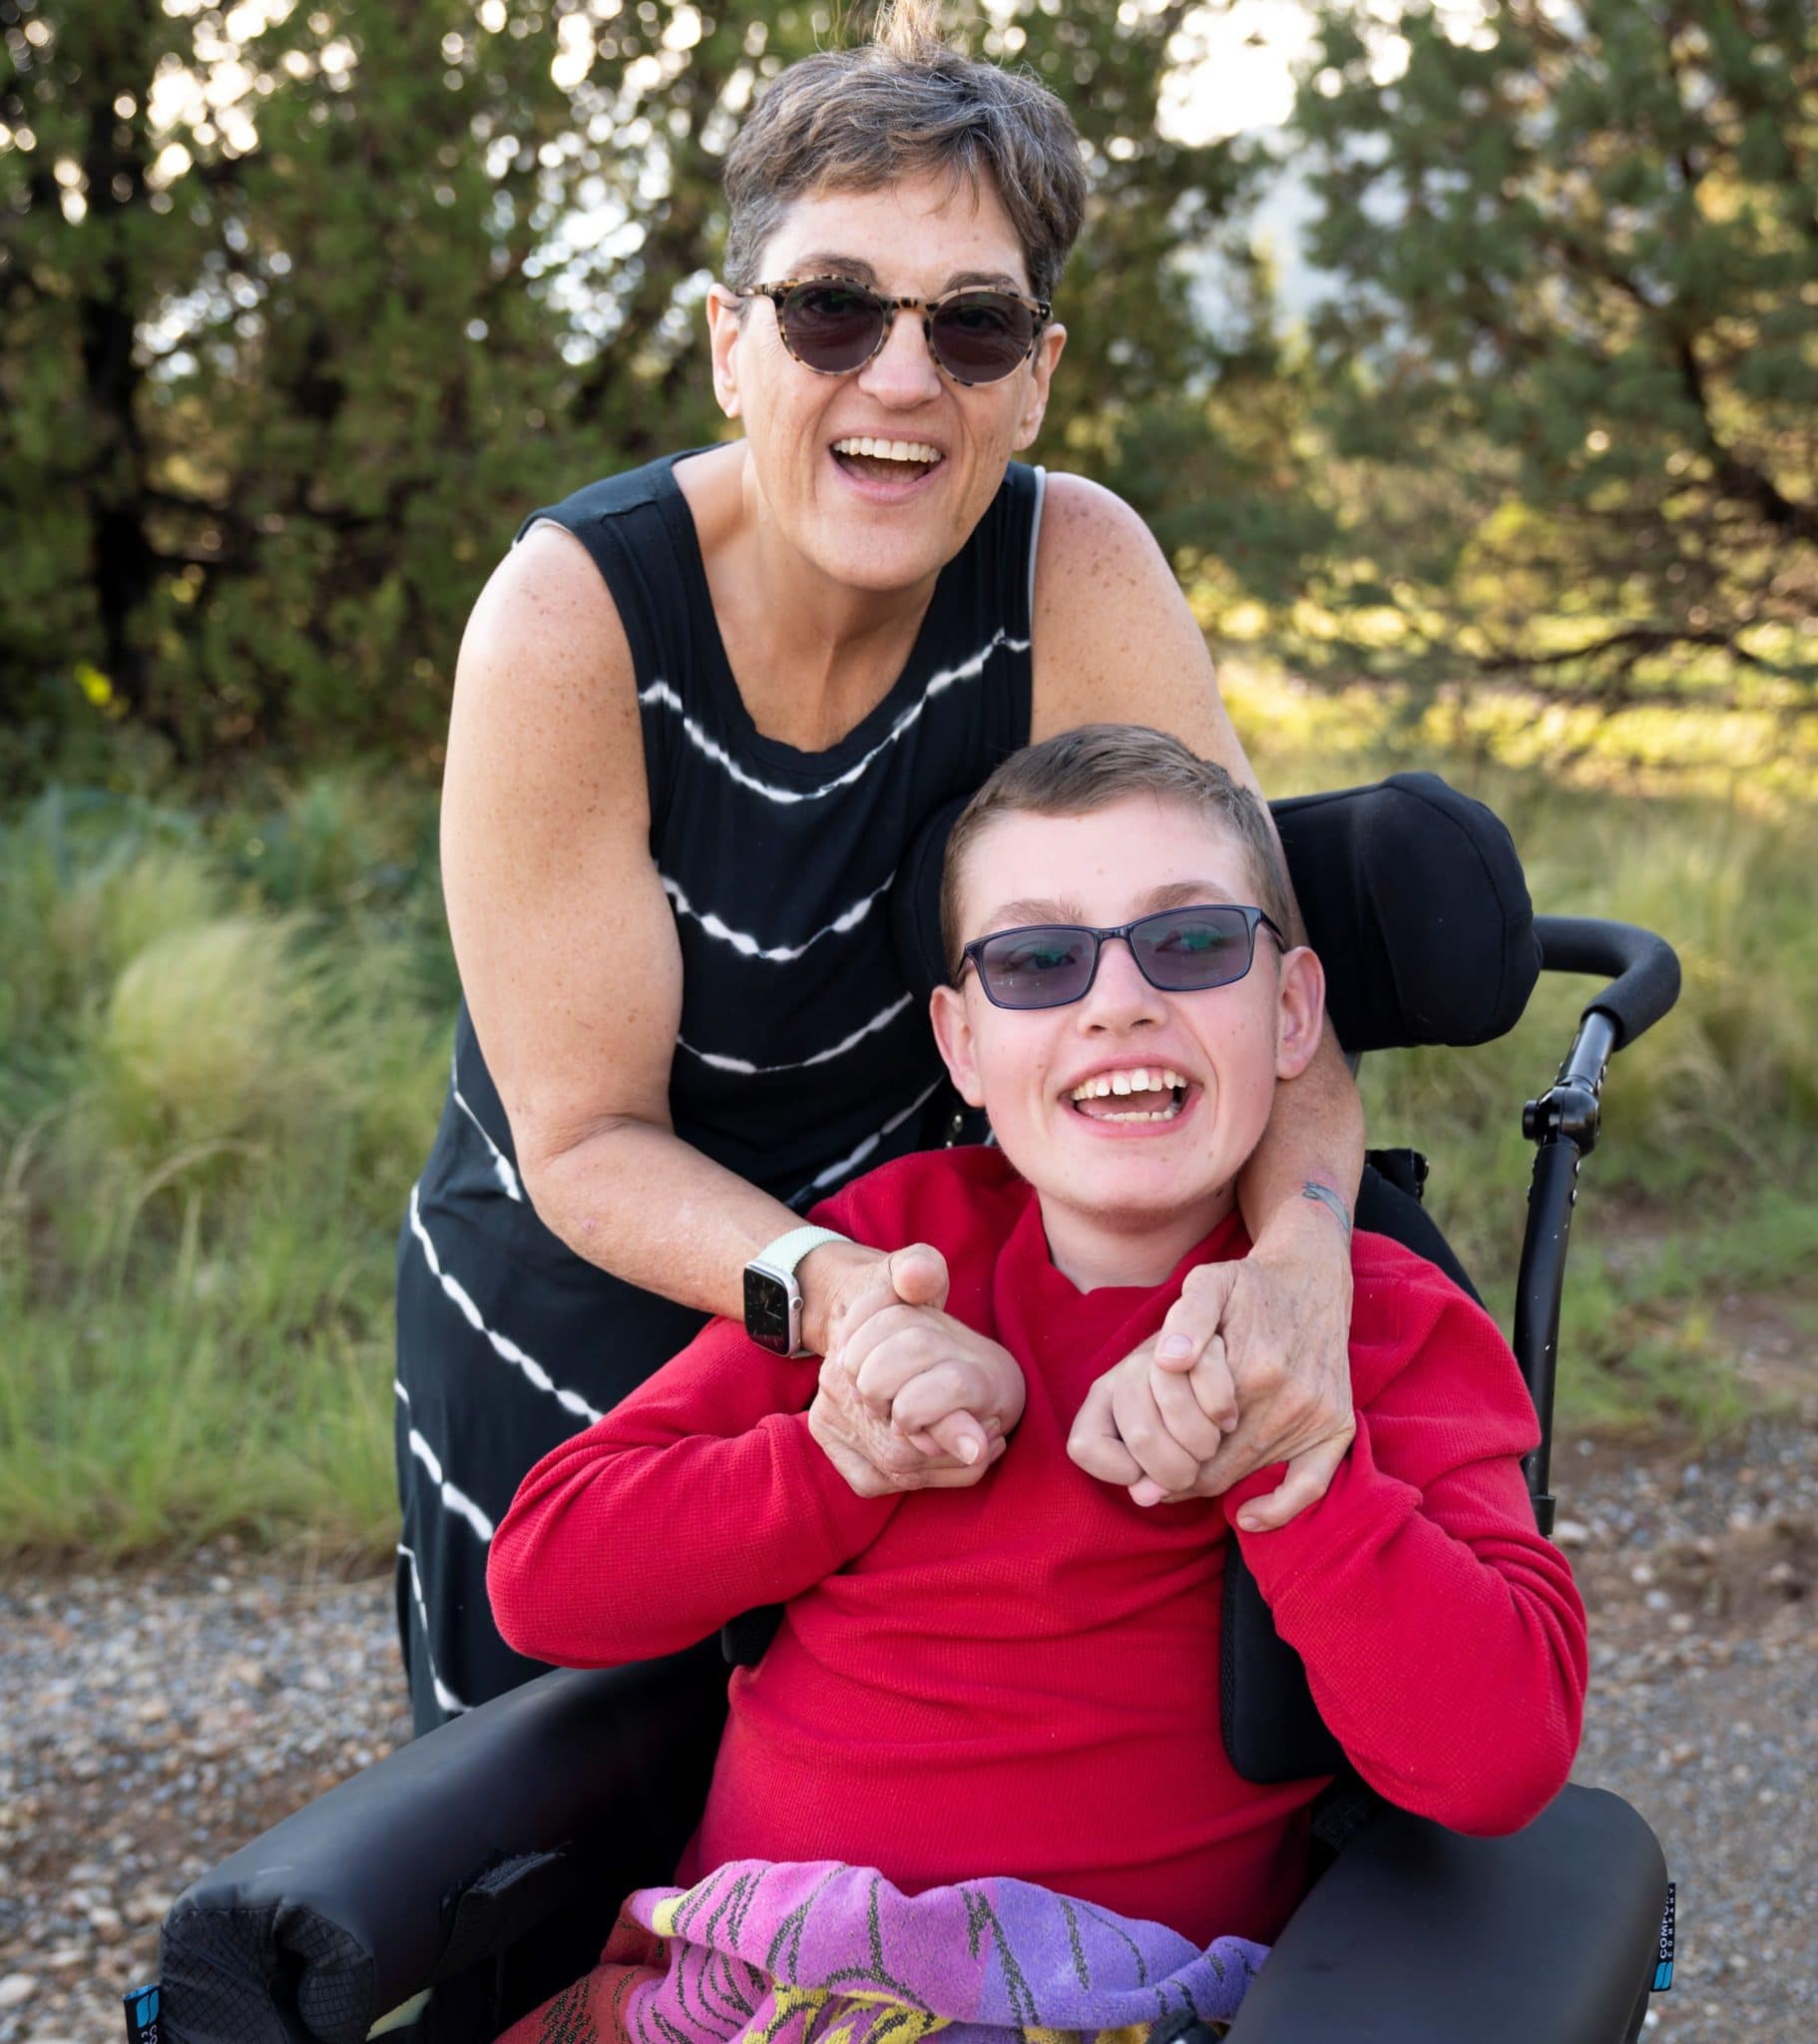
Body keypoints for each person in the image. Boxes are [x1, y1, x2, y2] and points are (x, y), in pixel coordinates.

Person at [399, 2, 1374, 1736]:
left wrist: (1305, 1260)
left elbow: (1250, 975)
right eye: (833, 308)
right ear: (728, 343)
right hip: (617, 1308)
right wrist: (840, 1295)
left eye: (973, 323)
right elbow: (582, 1135)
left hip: (932, 1315)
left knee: (872, 1821)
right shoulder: (571, 617)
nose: (902, 376)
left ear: (1038, 370)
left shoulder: (1074, 566)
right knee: (547, 1840)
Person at [487, 726, 1588, 1955]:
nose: (1118, 1002)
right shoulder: (890, 1254)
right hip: (752, 1971)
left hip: (1112, 2000)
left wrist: (1292, 1467)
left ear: (1290, 1011)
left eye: (1190, 943)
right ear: (962, 1043)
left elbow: (1504, 1763)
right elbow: (542, 1579)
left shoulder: (1373, 1318)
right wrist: (834, 1456)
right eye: (1038, 959)